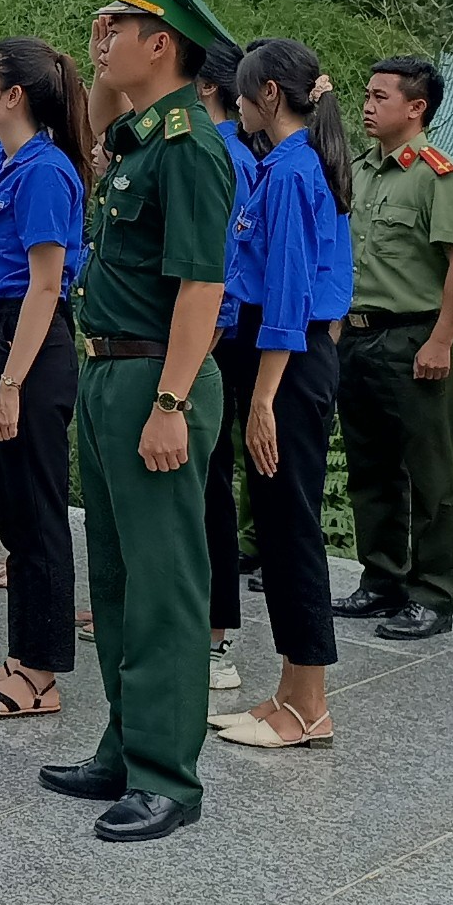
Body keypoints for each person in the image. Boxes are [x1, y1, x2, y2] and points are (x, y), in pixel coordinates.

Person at [40, 0, 235, 844]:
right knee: (116, 577)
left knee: (164, 585)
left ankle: (166, 776)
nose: (102, 37)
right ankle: (124, 746)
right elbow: (100, 116)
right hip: (109, 371)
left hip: (159, 377)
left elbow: (201, 288)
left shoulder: (190, 149)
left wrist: (171, 404)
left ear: (163, 44)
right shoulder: (141, 138)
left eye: (119, 27)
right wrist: (100, 59)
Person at [208, 39, 353, 750]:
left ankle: (311, 704)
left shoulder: (295, 171)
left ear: (269, 95)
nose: (235, 104)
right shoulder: (279, 165)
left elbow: (291, 295)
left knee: (291, 527)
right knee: (273, 521)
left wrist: (264, 398)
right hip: (273, 358)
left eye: (242, 92)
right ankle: (290, 692)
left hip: (286, 365)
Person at [0, 38, 91, 717]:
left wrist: (10, 384)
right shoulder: (4, 165)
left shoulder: (44, 172)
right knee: (14, 515)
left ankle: (40, 673)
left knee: (37, 516)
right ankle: (18, 657)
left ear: (13, 96)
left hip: (33, 343)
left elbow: (44, 285)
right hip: (0, 333)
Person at [334, 57, 453, 641]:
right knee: (370, 468)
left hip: (411, 337)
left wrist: (442, 340)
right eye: (366, 95)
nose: (367, 106)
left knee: (428, 474)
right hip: (357, 334)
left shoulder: (434, 176)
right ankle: (382, 580)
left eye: (380, 97)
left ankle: (434, 594)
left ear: (416, 108)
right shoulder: (361, 171)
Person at [194, 38, 258, 695]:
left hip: (212, 343)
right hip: (190, 340)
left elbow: (225, 269)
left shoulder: (229, 158)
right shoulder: (202, 147)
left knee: (210, 482)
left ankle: (216, 634)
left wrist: (195, 353)